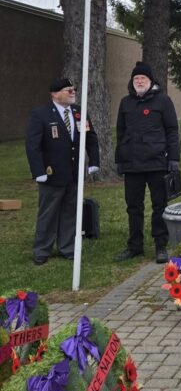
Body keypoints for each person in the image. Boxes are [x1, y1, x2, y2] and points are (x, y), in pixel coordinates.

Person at [25, 77, 100, 265]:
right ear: (55, 94)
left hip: (75, 173)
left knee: (71, 211)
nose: (73, 92)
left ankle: (67, 247)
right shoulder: (41, 114)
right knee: (48, 212)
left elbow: (91, 138)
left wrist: (94, 162)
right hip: (52, 173)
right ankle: (42, 250)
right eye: (68, 90)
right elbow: (33, 145)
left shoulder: (78, 113)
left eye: (73, 89)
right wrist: (38, 171)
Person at [115, 61, 180, 264]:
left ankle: (161, 245)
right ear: (132, 82)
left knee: (159, 205)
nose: (139, 81)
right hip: (132, 164)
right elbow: (120, 132)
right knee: (133, 207)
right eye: (136, 78)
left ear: (151, 81)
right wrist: (120, 159)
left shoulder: (163, 101)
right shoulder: (126, 103)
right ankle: (135, 246)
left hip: (157, 163)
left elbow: (172, 131)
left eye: (143, 78)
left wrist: (174, 158)